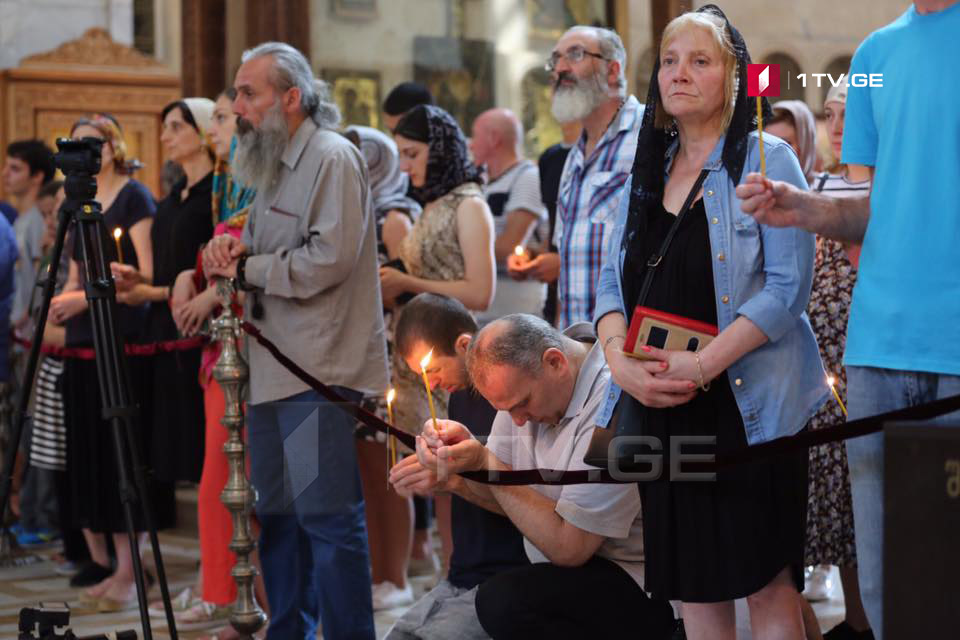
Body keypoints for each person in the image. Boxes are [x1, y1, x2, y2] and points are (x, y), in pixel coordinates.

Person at [594, 7, 827, 639]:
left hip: (748, 405)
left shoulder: (765, 158)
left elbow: (788, 291)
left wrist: (702, 365)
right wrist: (619, 364)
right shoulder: (645, 166)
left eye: (701, 61)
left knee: (767, 586)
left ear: (733, 75)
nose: (680, 74)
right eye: (670, 61)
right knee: (692, 591)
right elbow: (609, 285)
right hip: (659, 402)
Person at [735, 4, 960, 637]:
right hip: (876, 352)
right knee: (888, 583)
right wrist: (802, 206)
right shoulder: (872, 59)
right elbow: (877, 209)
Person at [203, 41, 389, 640]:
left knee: (325, 518)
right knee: (278, 517)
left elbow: (327, 260)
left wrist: (247, 269)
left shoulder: (331, 158)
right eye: (236, 93)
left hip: (312, 374)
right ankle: (288, 630)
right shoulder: (272, 162)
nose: (238, 107)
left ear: (292, 97)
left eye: (248, 93)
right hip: (269, 371)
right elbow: (265, 246)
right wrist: (235, 249)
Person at [412, 314, 676, 639]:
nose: (518, 421)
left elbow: (570, 548)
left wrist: (486, 461)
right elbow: (508, 498)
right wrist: (455, 475)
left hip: (642, 581)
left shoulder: (615, 401)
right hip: (574, 568)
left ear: (555, 362)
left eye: (521, 405)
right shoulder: (523, 390)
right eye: (506, 410)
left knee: (506, 602)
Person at [50, 113, 168, 610]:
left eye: (93, 144)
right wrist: (69, 299)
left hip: (123, 338)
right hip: (83, 340)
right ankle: (112, 563)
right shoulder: (77, 201)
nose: (86, 152)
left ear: (114, 146)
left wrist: (84, 300)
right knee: (93, 452)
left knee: (124, 450)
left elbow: (145, 276)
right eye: (76, 145)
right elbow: (77, 270)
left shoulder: (135, 197)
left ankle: (130, 567)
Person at [379, 103, 496, 576]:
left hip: (453, 357)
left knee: (454, 474)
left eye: (413, 153)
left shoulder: (469, 204)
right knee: (427, 474)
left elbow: (480, 291)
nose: (405, 166)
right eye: (400, 155)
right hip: (416, 357)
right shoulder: (431, 206)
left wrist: (407, 284)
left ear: (441, 149)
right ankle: (445, 576)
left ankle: (461, 573)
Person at [385, 293, 529, 640]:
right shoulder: (459, 396)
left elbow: (523, 502)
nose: (430, 385)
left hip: (506, 577)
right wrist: (437, 473)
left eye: (432, 370)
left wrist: (452, 480)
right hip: (462, 576)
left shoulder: (509, 401)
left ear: (464, 345)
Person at [797, 83, 874, 640]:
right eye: (830, 114)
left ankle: (870, 618)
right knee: (829, 500)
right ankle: (838, 618)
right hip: (819, 364)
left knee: (866, 496)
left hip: (869, 358)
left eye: (851, 114)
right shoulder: (817, 186)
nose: (837, 124)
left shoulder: (891, 187)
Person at [508, 25, 642, 329]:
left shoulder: (649, 137)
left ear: (613, 70)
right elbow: (568, 262)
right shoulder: (573, 157)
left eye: (576, 55)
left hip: (630, 343)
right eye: (555, 59)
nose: (559, 69)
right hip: (578, 343)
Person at [114, 98, 215, 497]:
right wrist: (140, 279)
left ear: (203, 130)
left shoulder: (214, 195)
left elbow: (204, 271)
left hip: (199, 328)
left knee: (202, 447)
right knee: (175, 447)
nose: (164, 136)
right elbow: (170, 266)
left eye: (175, 127)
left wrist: (147, 290)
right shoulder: (174, 196)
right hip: (163, 327)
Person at [342, 125, 422, 612]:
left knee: (388, 470)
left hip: (388, 357)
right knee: (365, 470)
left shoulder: (394, 216)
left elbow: (403, 289)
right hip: (357, 353)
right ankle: (379, 570)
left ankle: (396, 574)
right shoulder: (356, 209)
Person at [468, 108, 548, 323]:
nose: (470, 144)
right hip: (489, 308)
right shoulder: (483, 181)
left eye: (475, 135)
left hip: (517, 308)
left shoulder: (527, 177)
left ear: (494, 138)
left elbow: (510, 244)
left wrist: (460, 253)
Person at [2, 140, 53, 333]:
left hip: (30, 331)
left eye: (15, 169)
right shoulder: (19, 219)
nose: (5, 174)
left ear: (37, 176)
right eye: (6, 166)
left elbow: (42, 275)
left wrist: (26, 316)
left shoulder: (40, 219)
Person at [764, 100, 818, 186]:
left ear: (806, 146)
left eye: (785, 144)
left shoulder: (829, 191)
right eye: (768, 145)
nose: (775, 152)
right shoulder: (752, 192)